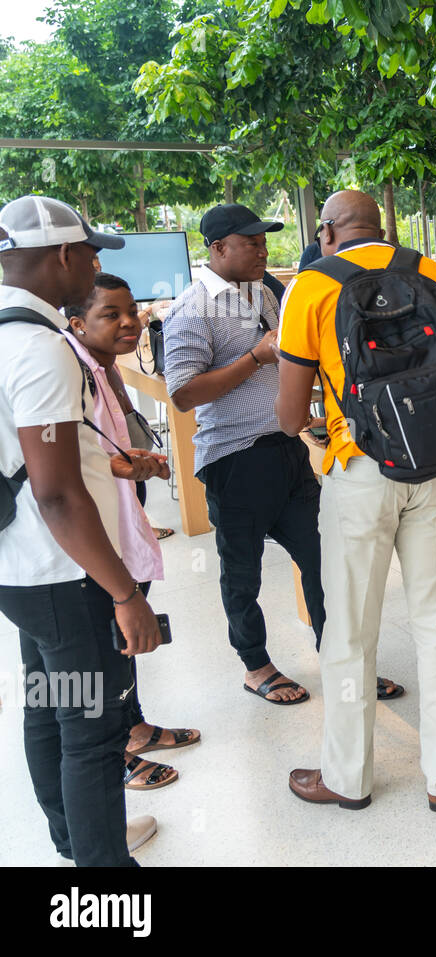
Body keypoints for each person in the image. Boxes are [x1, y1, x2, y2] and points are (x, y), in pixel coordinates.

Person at [276, 190, 436, 813]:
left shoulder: (309, 288)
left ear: (327, 231)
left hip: (360, 471)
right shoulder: (431, 270)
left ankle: (348, 778)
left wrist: (321, 418)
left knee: (351, 628)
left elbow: (286, 416)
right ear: (382, 227)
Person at [0, 195, 163, 865]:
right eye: (92, 252)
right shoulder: (40, 350)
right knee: (94, 734)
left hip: (21, 570)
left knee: (47, 705)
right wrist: (125, 594)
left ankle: (73, 838)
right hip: (67, 574)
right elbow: (59, 493)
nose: (95, 264)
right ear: (64, 255)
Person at [166, 203, 378, 705]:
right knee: (242, 572)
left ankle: (341, 659)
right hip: (234, 459)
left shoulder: (267, 292)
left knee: (323, 560)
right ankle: (255, 665)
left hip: (287, 447)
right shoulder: (192, 309)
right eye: (250, 243)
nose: (263, 251)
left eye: (264, 242)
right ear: (217, 249)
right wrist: (254, 357)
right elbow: (183, 393)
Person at [64, 274, 201, 793]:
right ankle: (118, 753)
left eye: (133, 311)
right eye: (111, 314)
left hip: (119, 519)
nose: (130, 322)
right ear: (77, 322)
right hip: (90, 539)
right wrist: (116, 468)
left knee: (119, 643)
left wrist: (126, 464)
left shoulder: (99, 367)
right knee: (103, 645)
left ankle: (135, 729)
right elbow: (60, 466)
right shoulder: (67, 367)